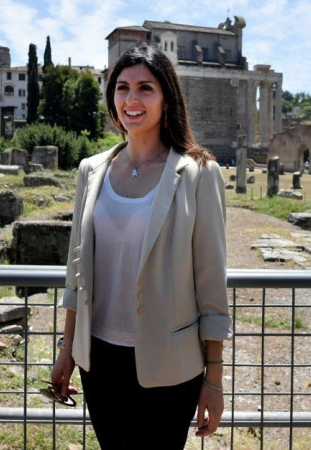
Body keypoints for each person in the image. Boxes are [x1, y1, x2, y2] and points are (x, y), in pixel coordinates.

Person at [49, 42, 232, 449]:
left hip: (170, 365)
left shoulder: (200, 174)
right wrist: (67, 349)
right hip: (98, 360)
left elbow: (211, 283)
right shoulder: (90, 170)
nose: (131, 99)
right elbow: (77, 269)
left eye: (145, 88)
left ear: (167, 97)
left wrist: (215, 379)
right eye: (122, 88)